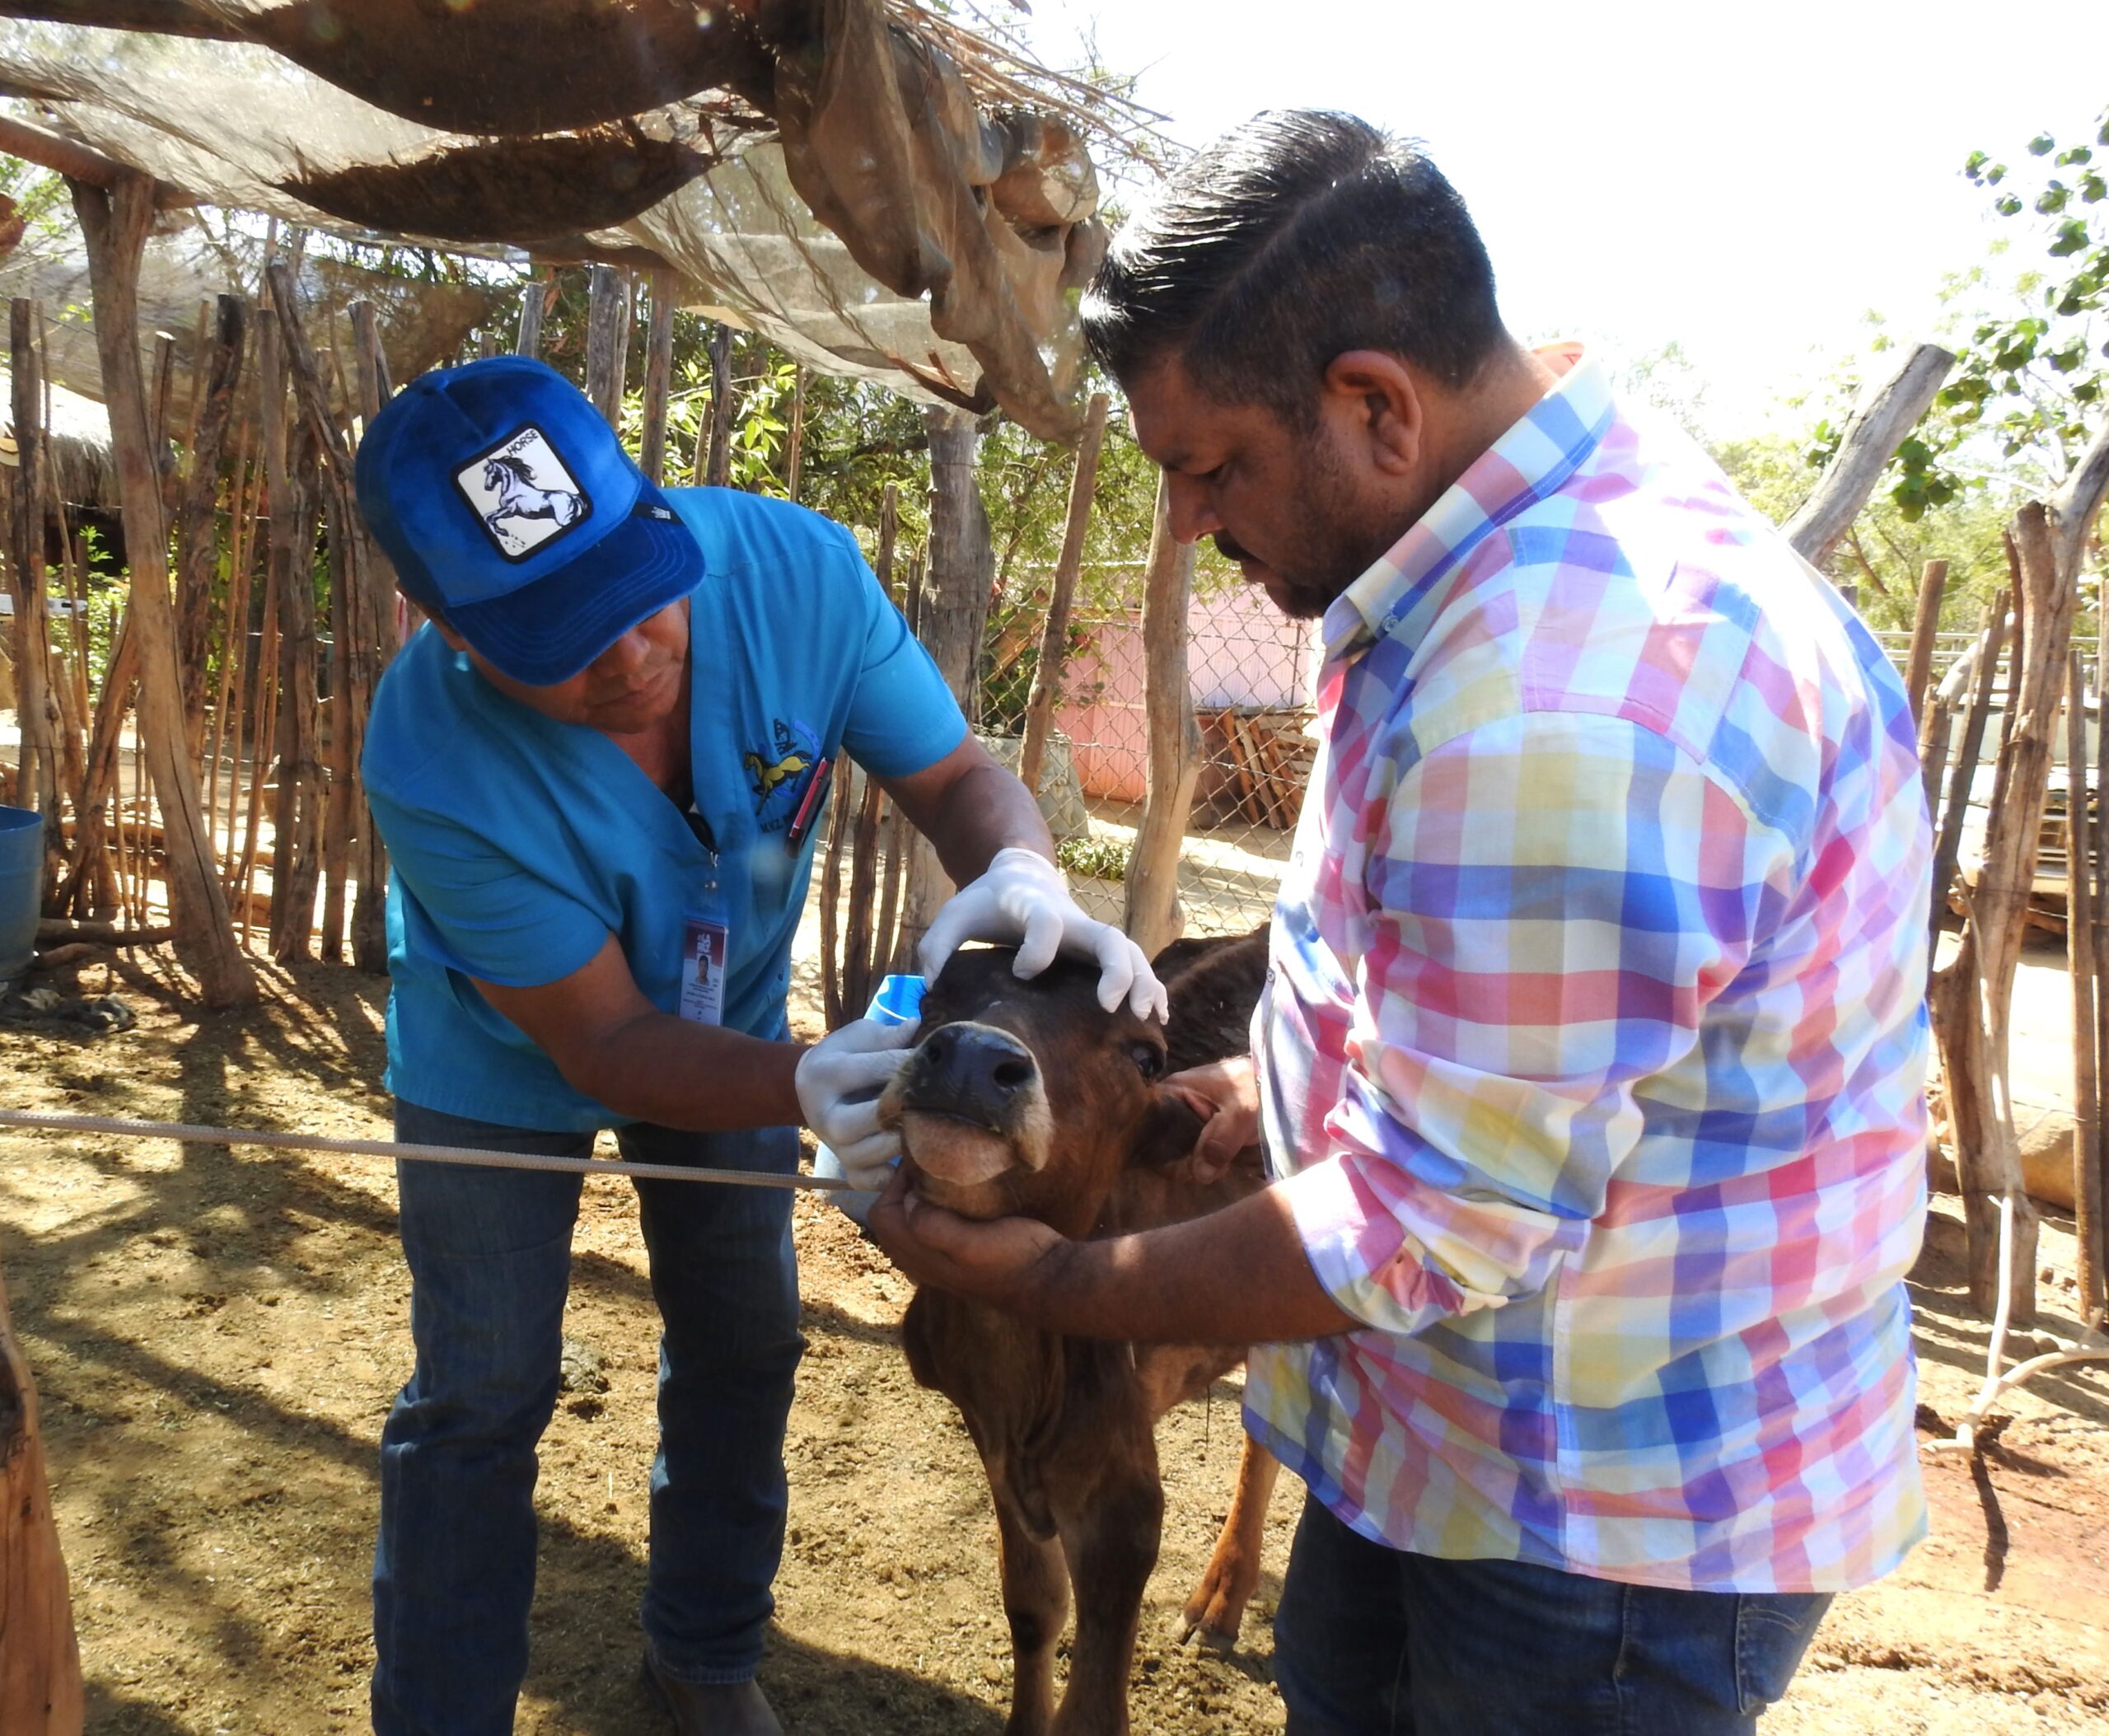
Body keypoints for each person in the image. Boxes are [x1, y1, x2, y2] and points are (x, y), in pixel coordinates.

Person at [870, 110, 1933, 1734]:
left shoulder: (1559, 696)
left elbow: (1423, 1229)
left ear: (1373, 401)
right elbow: (1476, 1029)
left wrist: (1050, 1280)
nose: (1180, 522)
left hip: (1592, 1550)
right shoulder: (1484, 573)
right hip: (1458, 1450)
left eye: (1206, 466)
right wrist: (1273, 1091)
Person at [352, 354, 1163, 1736]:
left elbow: (961, 778)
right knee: (483, 1394)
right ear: (448, 633)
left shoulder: (798, 574)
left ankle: (704, 1656)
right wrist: (797, 1079)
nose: (628, 657)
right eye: (558, 639)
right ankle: (440, 1711)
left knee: (744, 1335)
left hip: (723, 1026)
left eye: (631, 590)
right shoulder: (428, 755)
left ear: (656, 517)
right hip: (498, 1061)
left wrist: (1022, 869)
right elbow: (603, 1039)